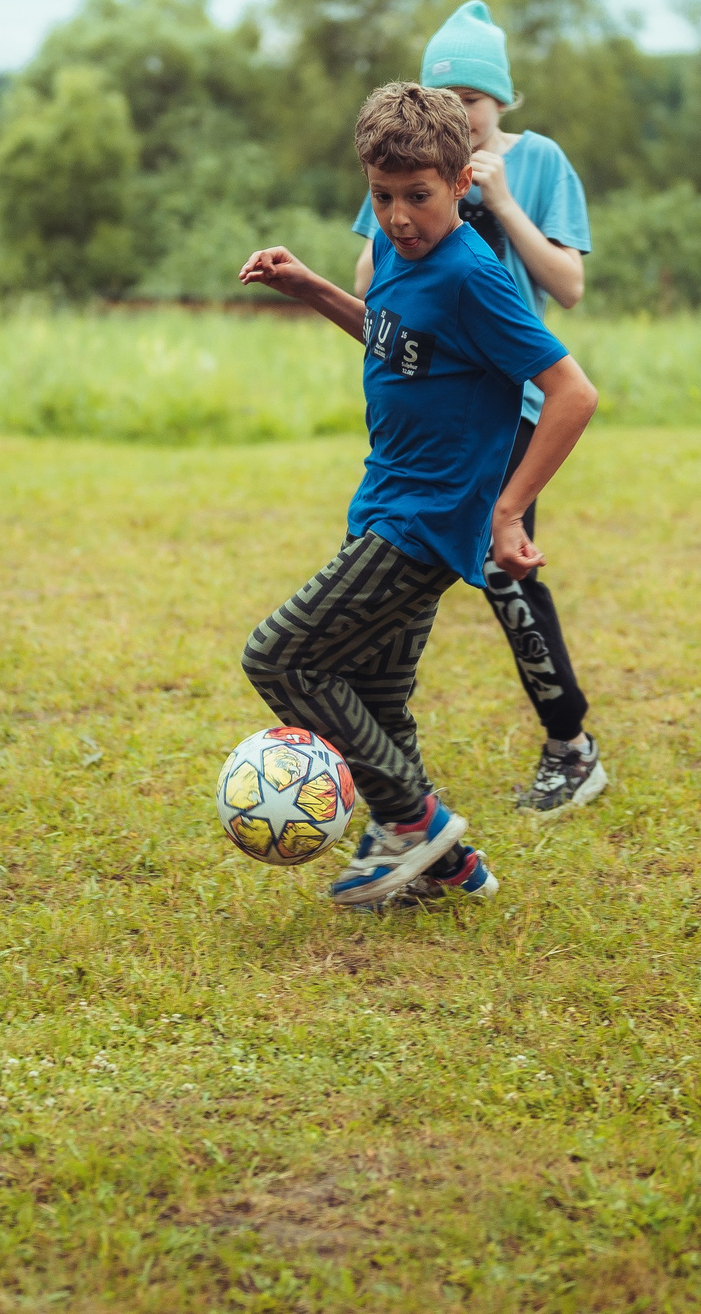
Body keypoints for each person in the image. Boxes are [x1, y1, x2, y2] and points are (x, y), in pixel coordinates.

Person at [240, 82, 600, 910]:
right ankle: (448, 867)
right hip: (385, 503)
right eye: (382, 197)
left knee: (280, 654)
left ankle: (412, 821)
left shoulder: (473, 274)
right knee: (379, 701)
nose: (399, 217)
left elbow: (570, 390)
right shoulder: (406, 263)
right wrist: (314, 290)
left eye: (418, 197)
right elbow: (394, 338)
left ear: (460, 184)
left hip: (426, 521)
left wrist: (505, 512)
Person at [350, 1, 603, 815]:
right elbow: (369, 279)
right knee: (400, 565)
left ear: (502, 102)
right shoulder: (412, 163)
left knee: (503, 564)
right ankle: (384, 756)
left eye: (473, 98)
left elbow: (566, 285)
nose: (458, 110)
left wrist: (498, 200)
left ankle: (570, 746)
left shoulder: (538, 161)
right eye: (443, 93)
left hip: (518, 394)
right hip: (431, 399)